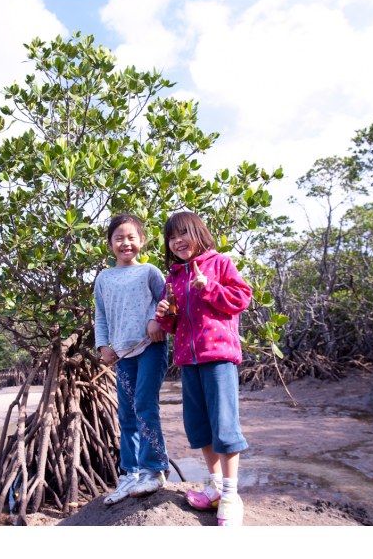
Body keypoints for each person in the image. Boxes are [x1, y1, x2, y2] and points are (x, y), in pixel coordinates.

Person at [154, 211, 251, 526]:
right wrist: (165, 314)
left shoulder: (220, 263)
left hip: (218, 356)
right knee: (198, 426)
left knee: (224, 426)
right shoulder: (173, 276)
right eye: (172, 237)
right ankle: (214, 487)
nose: (178, 241)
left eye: (183, 233)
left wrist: (208, 287)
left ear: (199, 232)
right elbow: (172, 323)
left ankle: (232, 495)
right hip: (187, 360)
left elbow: (241, 299)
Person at [94, 214, 169, 505]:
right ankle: (130, 472)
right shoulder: (104, 277)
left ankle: (155, 469)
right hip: (122, 354)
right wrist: (102, 346)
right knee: (125, 414)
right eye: (119, 238)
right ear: (110, 244)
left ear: (142, 241)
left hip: (150, 347)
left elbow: (167, 302)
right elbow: (100, 314)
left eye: (131, 238)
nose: (125, 243)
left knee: (144, 405)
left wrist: (155, 320)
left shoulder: (149, 271)